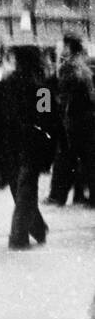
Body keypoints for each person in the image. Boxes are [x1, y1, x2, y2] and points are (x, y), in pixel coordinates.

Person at [0, 44, 59, 250]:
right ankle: (25, 233)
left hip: (9, 145)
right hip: (31, 145)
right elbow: (47, 120)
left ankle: (29, 230)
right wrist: (49, 146)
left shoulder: (5, 84)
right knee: (26, 190)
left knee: (19, 189)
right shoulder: (42, 88)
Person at [47, 34, 95, 206]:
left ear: (68, 47)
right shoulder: (83, 64)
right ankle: (79, 195)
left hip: (73, 120)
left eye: (62, 46)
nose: (60, 49)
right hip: (85, 119)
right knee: (86, 159)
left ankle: (58, 196)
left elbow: (63, 96)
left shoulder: (70, 68)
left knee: (65, 158)